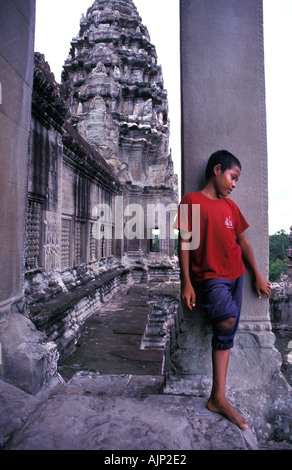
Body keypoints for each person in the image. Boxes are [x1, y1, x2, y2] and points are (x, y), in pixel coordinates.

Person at [176, 150, 271, 430]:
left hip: (236, 277)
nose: (234, 184)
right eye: (233, 177)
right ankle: (218, 397)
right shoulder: (190, 201)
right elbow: (184, 245)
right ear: (217, 170)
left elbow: (243, 242)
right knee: (227, 319)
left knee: (225, 334)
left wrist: (257, 275)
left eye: (237, 180)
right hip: (210, 278)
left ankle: (218, 396)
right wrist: (186, 283)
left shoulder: (230, 207)